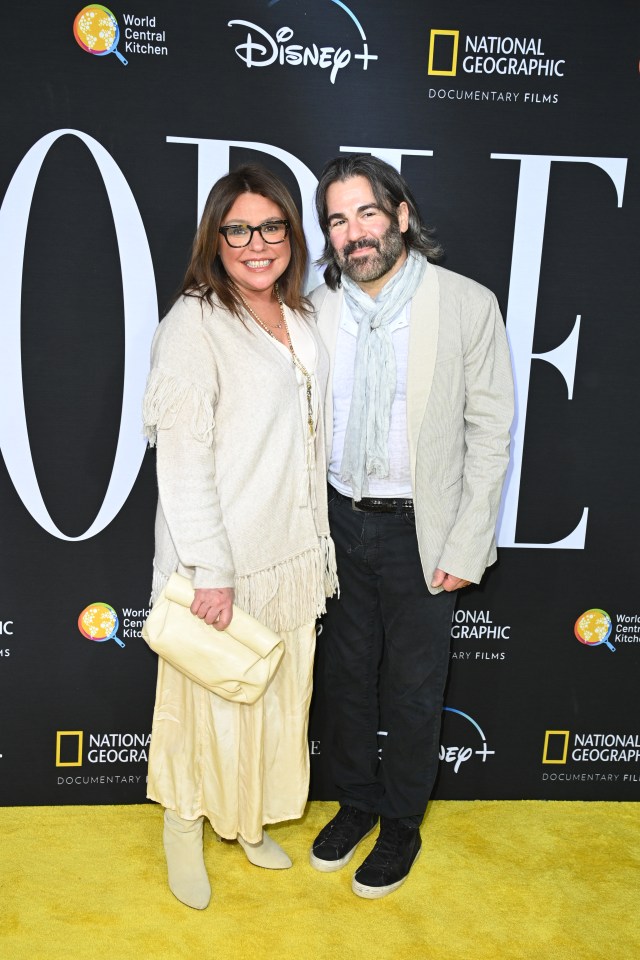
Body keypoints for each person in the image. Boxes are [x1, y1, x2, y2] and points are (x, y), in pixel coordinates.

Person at [308, 154, 514, 899]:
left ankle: (400, 821)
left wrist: (465, 542)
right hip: (335, 521)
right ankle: (356, 802)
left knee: (415, 688)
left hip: (421, 530)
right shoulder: (316, 309)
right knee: (346, 679)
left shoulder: (467, 305)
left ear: (400, 215)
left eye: (366, 213)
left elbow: (491, 433)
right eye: (337, 219)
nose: (354, 232)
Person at [142, 165, 338, 910]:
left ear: (292, 233)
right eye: (238, 230)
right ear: (215, 240)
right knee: (204, 707)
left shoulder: (307, 318)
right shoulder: (195, 322)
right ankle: (184, 827)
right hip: (221, 559)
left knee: (274, 699)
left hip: (291, 554)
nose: (257, 244)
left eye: (272, 227)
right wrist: (211, 569)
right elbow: (184, 457)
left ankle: (248, 819)